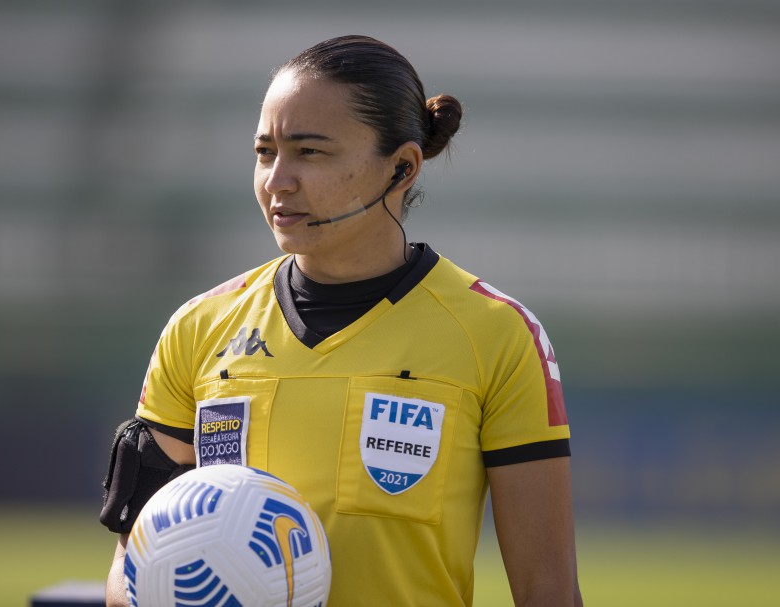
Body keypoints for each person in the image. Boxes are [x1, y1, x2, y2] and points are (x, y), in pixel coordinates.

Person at [101, 35, 583, 606]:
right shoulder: (197, 327)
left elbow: (546, 589)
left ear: (402, 167)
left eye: (309, 152)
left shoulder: (496, 334)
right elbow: (133, 567)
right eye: (264, 152)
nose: (277, 180)